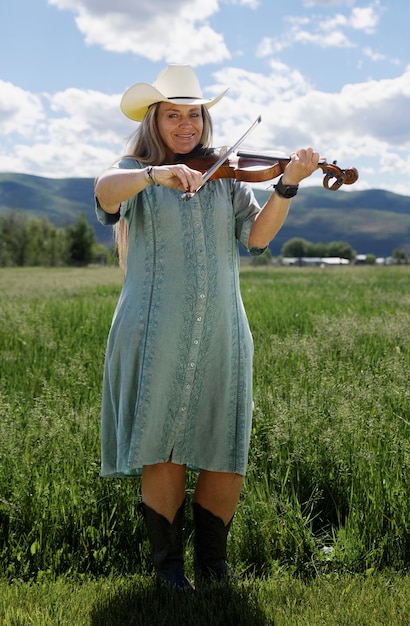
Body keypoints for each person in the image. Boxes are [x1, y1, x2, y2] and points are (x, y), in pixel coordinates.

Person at [94, 64, 319, 590]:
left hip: (222, 328)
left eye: (194, 114)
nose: (186, 125)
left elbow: (258, 239)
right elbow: (105, 193)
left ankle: (213, 566)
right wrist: (158, 174)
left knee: (224, 442)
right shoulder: (134, 171)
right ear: (154, 122)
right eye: (173, 115)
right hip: (154, 330)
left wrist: (287, 185)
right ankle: (169, 570)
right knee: (164, 445)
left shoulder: (226, 176)